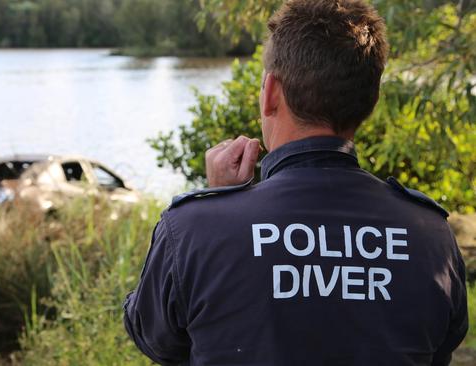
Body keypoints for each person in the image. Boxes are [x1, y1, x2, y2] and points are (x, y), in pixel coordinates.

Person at [123, 0, 468, 365]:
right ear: (372, 100)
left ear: (271, 92)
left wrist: (218, 202)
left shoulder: (193, 228)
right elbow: (440, 349)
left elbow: (153, 336)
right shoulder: (431, 235)